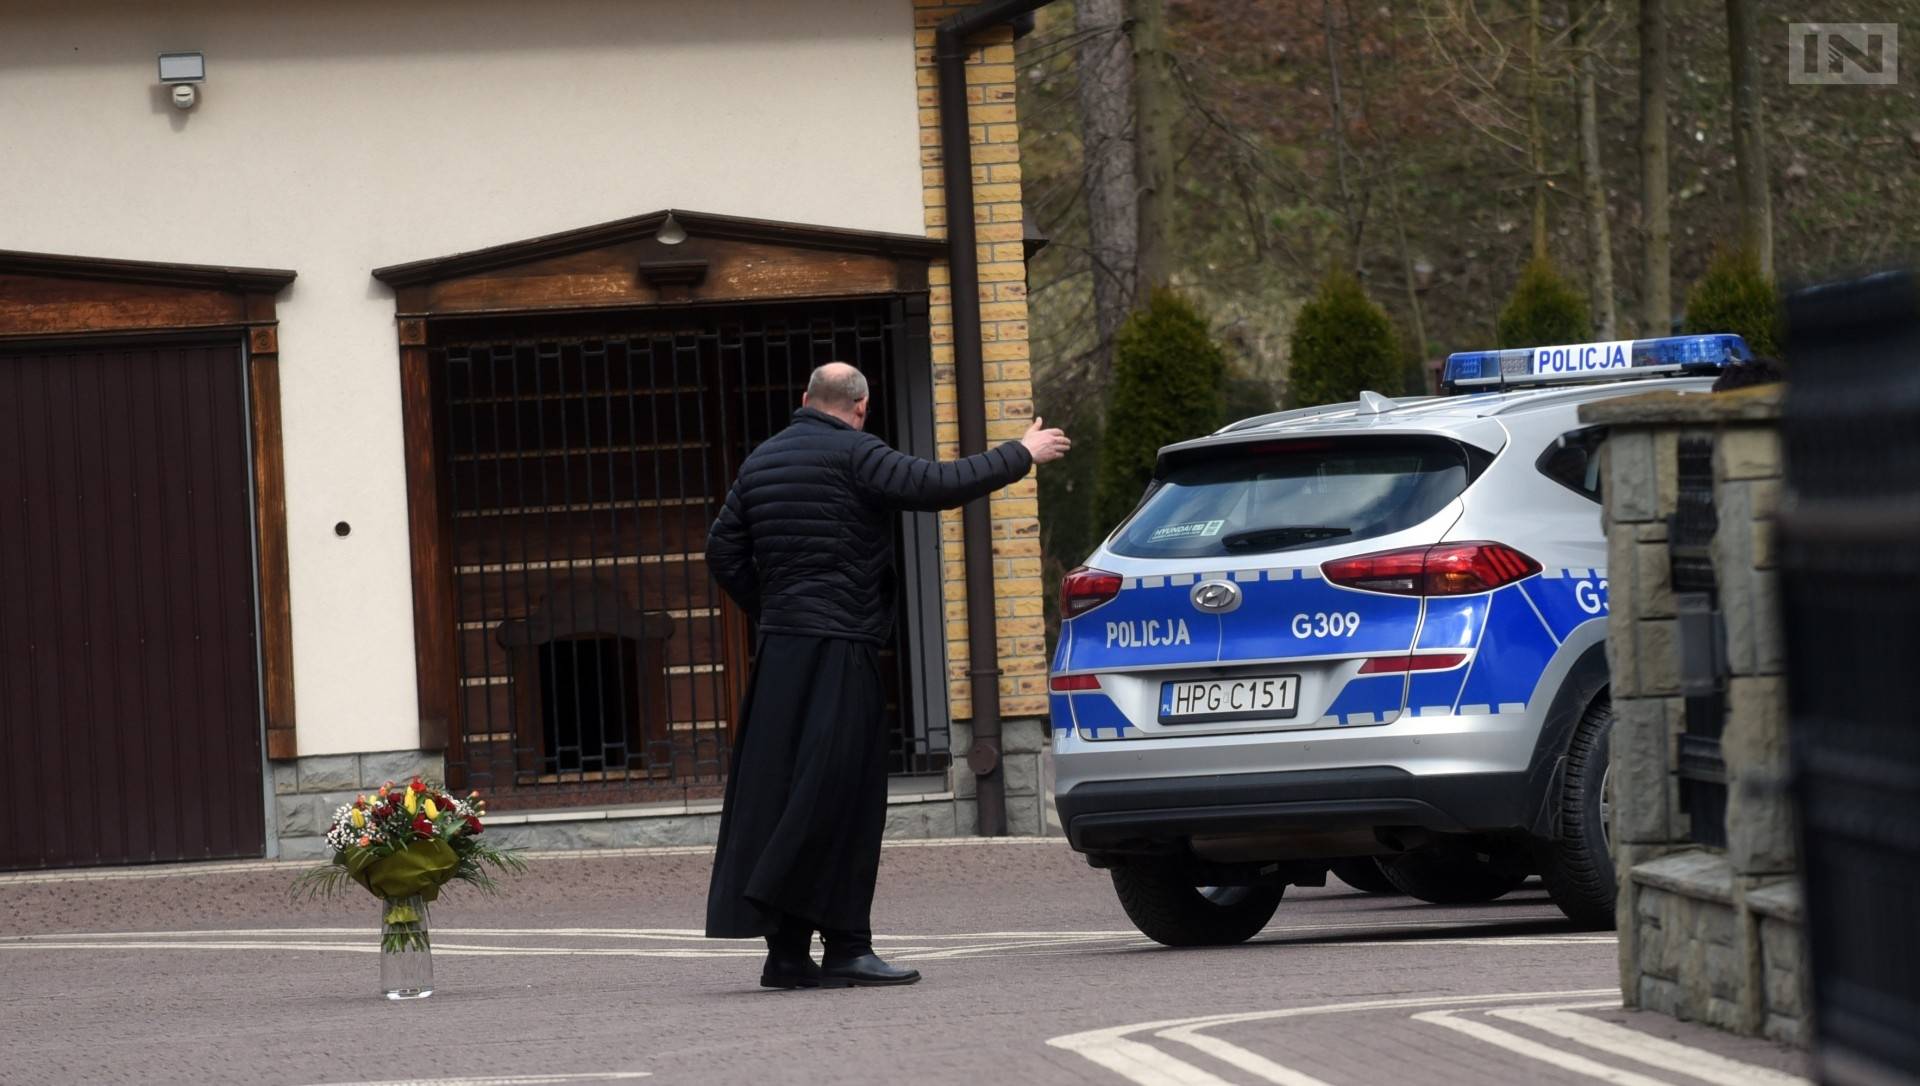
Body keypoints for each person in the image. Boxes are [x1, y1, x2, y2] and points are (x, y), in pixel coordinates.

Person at [703, 361, 1070, 989]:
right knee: (845, 798)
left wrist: (776, 611)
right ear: (861, 408)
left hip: (781, 657)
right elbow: (936, 483)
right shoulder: (856, 453)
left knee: (786, 795)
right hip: (840, 652)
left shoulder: (761, 462)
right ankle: (848, 947)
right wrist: (1021, 452)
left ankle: (786, 954)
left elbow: (722, 551)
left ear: (804, 398)